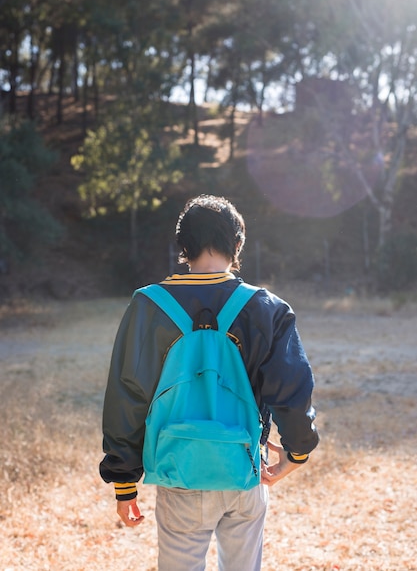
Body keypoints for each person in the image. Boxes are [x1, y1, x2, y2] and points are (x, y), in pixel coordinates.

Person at [100, 194, 319, 571]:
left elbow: (128, 394)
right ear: (238, 244)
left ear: (183, 247)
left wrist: (124, 482)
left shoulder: (148, 305)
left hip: (177, 471)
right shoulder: (266, 308)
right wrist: (297, 451)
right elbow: (291, 387)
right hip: (245, 470)